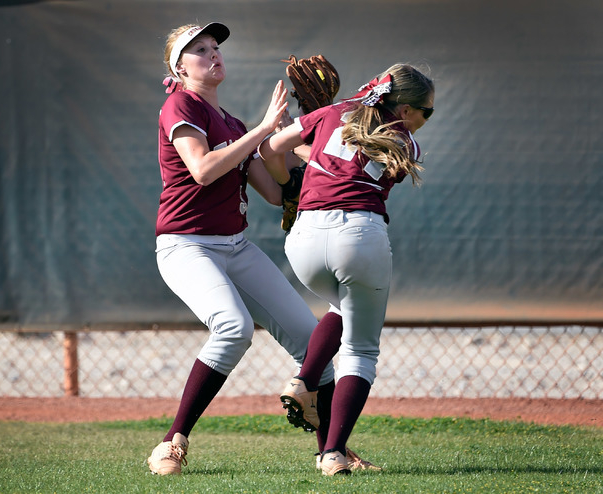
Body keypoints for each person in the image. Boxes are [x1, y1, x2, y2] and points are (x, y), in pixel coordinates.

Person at [146, 21, 368, 476]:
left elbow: (273, 190)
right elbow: (204, 169)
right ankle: (172, 442)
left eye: (215, 47)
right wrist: (264, 130)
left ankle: (333, 452)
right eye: (199, 50)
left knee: (312, 344)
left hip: (236, 245)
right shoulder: (179, 105)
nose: (213, 54)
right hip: (186, 246)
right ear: (179, 68)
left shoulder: (231, 123)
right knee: (233, 327)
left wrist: (312, 137)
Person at [258, 64, 435, 475]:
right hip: (358, 235)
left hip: (304, 238)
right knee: (361, 349)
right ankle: (333, 453)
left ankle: (304, 381)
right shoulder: (406, 142)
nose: (426, 120)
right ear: (405, 111)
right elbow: (360, 166)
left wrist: (290, 184)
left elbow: (269, 149)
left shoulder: (333, 112)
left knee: (342, 307)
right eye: (427, 112)